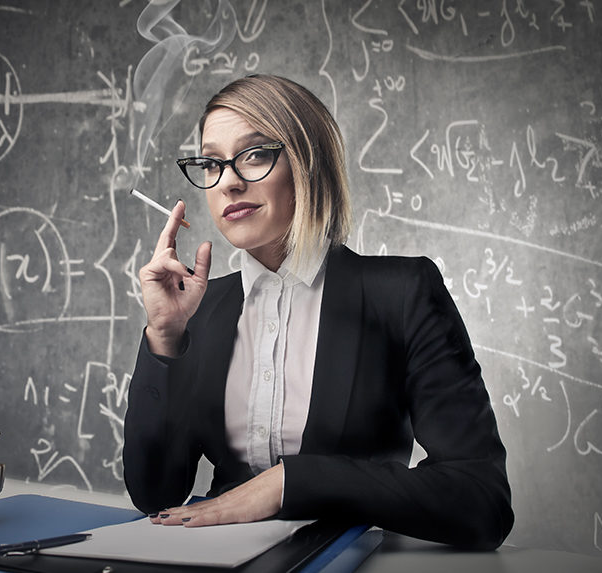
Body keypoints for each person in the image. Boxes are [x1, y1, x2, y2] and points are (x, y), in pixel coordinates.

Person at [123, 74, 514, 550]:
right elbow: (154, 495)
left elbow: (482, 501)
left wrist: (293, 483)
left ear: (308, 162)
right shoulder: (200, 310)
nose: (227, 182)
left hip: (349, 560)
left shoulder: (402, 293)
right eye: (210, 163)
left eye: (254, 155)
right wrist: (164, 338)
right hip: (211, 560)